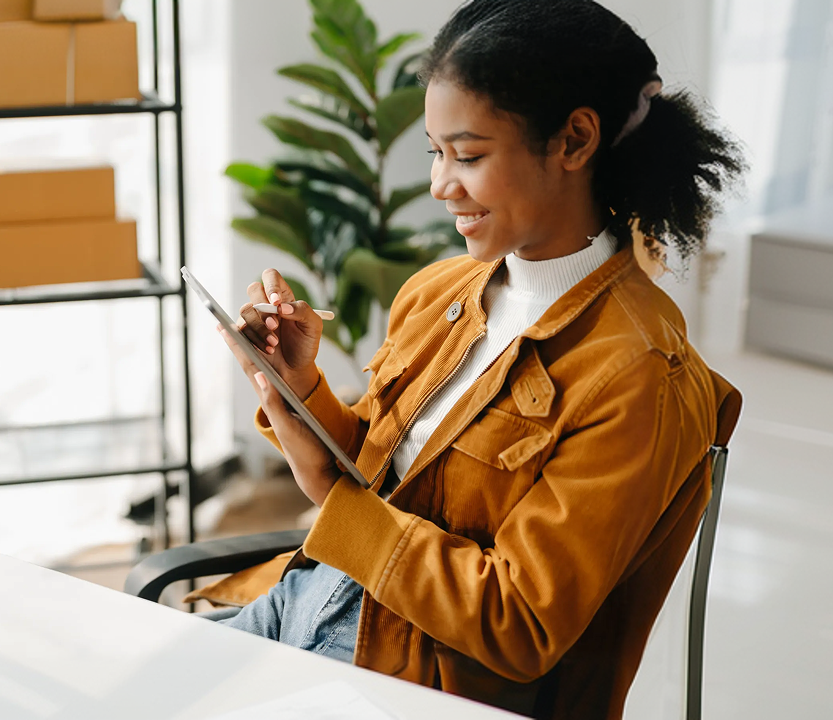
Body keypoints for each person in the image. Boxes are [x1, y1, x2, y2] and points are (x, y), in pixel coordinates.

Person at [199, 1, 746, 718]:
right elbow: (380, 476)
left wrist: (337, 506)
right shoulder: (442, 290)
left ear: (575, 140)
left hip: (418, 682)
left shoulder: (637, 372)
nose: (439, 185)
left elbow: (519, 623)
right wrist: (293, 383)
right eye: (435, 151)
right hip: (308, 596)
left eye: (470, 155)